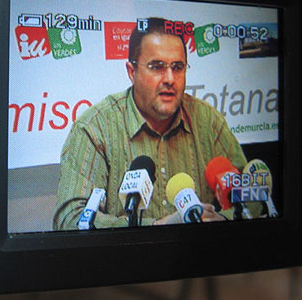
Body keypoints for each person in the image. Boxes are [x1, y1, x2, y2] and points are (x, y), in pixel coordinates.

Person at [53, 17, 251, 230]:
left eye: (178, 67)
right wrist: (155, 227)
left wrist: (224, 221)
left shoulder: (208, 120)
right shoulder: (95, 128)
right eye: (157, 67)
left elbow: (253, 197)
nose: (169, 79)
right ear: (132, 71)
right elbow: (70, 219)